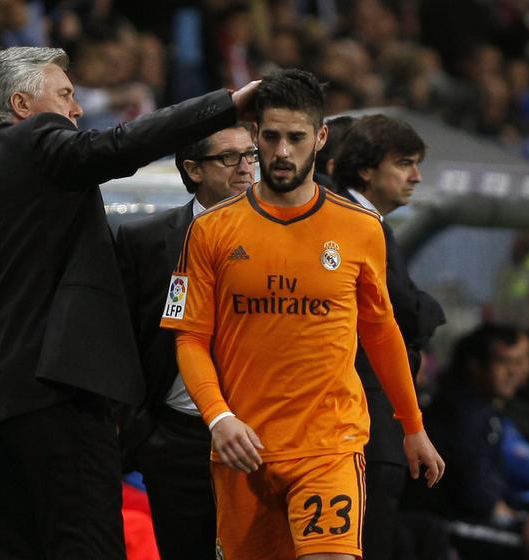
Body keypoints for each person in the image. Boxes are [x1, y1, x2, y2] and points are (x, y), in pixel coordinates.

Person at [0, 45, 258, 559]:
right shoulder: (39, 143)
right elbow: (119, 145)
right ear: (23, 106)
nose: (77, 109)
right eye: (65, 94)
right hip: (59, 404)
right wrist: (226, 106)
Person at [159, 68, 444, 560]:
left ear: (321, 137)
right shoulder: (210, 231)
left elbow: (380, 333)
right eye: (271, 137)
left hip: (328, 445)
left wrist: (412, 426)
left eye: (296, 137)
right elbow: (189, 338)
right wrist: (219, 417)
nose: (283, 151)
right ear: (255, 137)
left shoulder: (360, 229)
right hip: (242, 449)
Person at [114, 122, 256, 559]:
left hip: (265, 435)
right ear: (194, 169)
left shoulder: (287, 235)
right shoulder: (145, 240)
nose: (246, 168)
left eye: (251, 155)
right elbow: (119, 339)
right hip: (177, 441)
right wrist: (144, 433)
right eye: (229, 157)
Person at [330, 114, 446, 559]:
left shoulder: (373, 223)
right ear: (365, 169)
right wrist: (422, 315)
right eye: (403, 163)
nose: (416, 176)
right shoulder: (358, 223)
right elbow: (407, 310)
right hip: (365, 424)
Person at [425, 325, 529, 560]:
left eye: (521, 362)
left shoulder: (495, 409)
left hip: (486, 511)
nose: (516, 372)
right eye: (505, 363)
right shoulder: (463, 413)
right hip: (450, 520)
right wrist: (499, 508)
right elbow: (471, 489)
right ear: (476, 366)